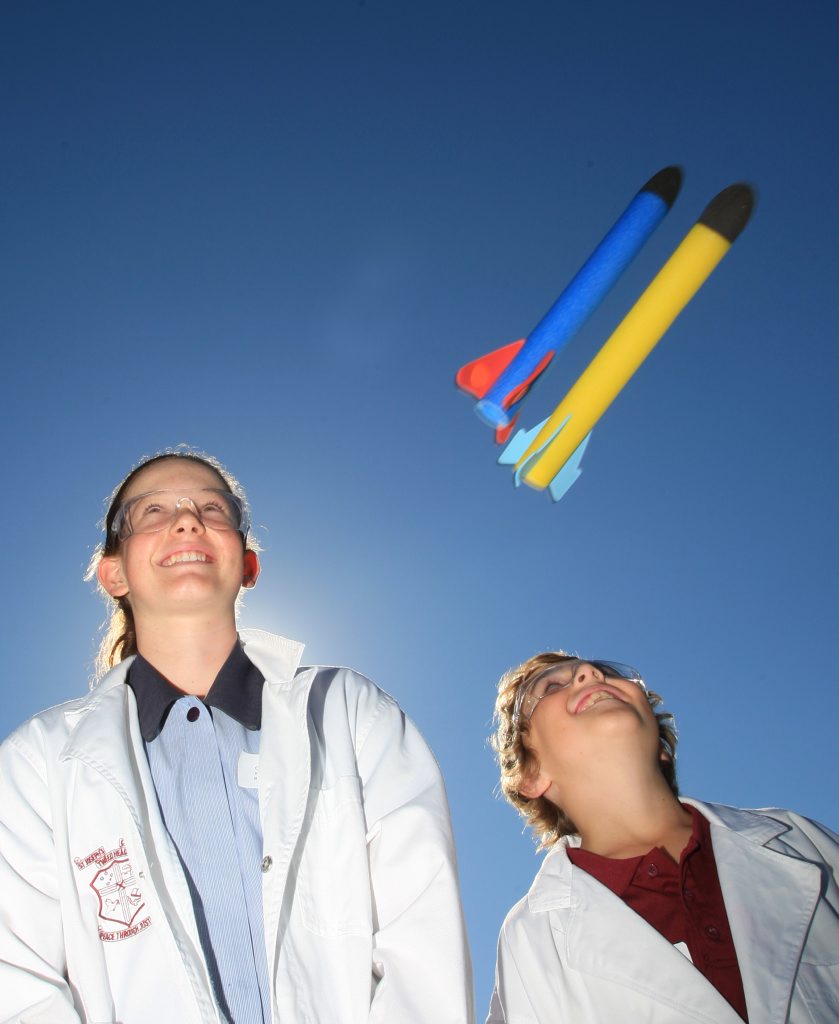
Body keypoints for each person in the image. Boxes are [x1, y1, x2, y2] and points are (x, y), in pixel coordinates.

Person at [0, 448, 474, 1024]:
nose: (186, 520)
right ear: (114, 573)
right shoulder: (36, 763)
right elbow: (18, 979)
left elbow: (420, 940)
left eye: (212, 508)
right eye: (150, 513)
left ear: (247, 564)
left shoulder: (350, 713)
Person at [487, 652, 839, 1023]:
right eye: (552, 686)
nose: (590, 673)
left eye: (607, 673)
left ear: (660, 745)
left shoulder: (801, 841)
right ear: (530, 775)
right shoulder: (530, 940)